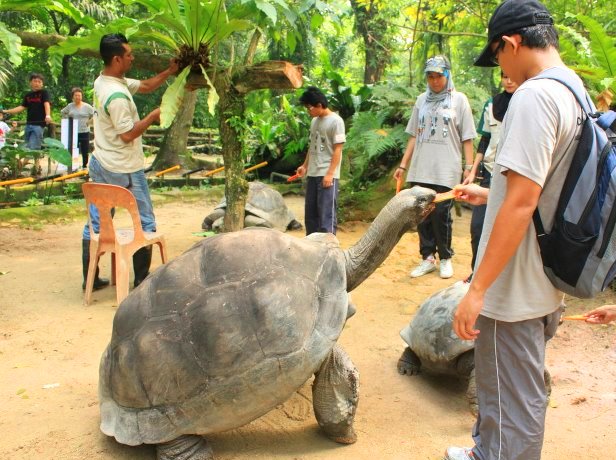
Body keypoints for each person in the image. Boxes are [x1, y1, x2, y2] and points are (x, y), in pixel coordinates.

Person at [447, 1, 586, 459]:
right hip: (544, 275)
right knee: (505, 389)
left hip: (515, 286)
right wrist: (491, 196)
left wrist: (478, 288)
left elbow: (524, 200)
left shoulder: (534, 96)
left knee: (513, 401)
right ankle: (483, 452)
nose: (502, 70)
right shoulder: (574, 91)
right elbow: (544, 190)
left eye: (498, 58)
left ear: (510, 43)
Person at [81, 33, 178, 292]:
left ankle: (88, 278)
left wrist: (169, 71)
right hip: (124, 169)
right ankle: (141, 282)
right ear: (116, 59)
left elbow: (145, 86)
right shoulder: (117, 96)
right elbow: (126, 135)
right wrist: (152, 117)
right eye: (128, 55)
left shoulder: (105, 81)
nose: (132, 58)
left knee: (97, 221)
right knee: (145, 221)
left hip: (101, 162)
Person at [393, 55, 476, 279]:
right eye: (430, 77)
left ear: (447, 75)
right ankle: (427, 257)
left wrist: (468, 168)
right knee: (422, 214)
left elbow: (467, 138)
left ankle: (446, 257)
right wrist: (403, 165)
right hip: (421, 167)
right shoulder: (421, 100)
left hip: (446, 169)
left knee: (441, 214)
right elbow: (413, 135)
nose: (435, 81)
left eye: (439, 76)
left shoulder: (459, 100)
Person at [464, 72, 519, 282]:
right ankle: (475, 273)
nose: (509, 80)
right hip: (489, 172)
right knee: (478, 227)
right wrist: (472, 171)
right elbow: (484, 141)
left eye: (511, 76)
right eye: (505, 77)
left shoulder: (528, 103)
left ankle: (500, 278)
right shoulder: (491, 105)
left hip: (514, 175)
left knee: (505, 227)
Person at [295, 86, 346, 235]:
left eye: (309, 108)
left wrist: (330, 174)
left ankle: (329, 251)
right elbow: (312, 146)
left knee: (326, 216)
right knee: (311, 215)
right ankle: (311, 250)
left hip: (327, 175)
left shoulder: (336, 121)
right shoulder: (314, 122)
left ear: (319, 105)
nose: (308, 111)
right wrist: (305, 166)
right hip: (312, 173)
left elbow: (338, 149)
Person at [2, 73, 52, 151]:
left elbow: (47, 104)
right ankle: (36, 163)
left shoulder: (44, 93)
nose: (37, 83)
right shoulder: (28, 95)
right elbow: (21, 107)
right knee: (26, 146)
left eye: (39, 82)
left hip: (38, 125)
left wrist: (48, 115)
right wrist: (5, 111)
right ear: (30, 83)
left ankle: (23, 163)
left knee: (33, 148)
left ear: (42, 84)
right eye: (35, 81)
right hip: (28, 124)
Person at [61, 87, 95, 169]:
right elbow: (63, 112)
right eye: (76, 95)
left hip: (85, 131)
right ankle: (73, 166)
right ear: (72, 97)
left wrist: (89, 122)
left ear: (82, 96)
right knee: (74, 149)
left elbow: (95, 115)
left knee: (85, 150)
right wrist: (68, 120)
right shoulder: (70, 106)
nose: (77, 97)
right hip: (73, 131)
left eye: (79, 95)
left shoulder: (87, 107)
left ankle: (84, 165)